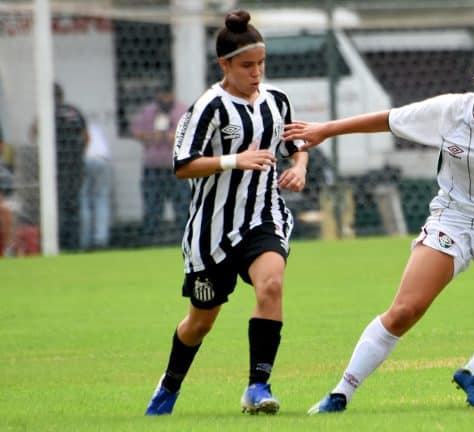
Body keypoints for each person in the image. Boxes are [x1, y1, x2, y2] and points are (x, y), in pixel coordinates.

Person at [284, 45, 474, 413]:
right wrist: (327, 131)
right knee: (404, 311)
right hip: (452, 220)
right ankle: (340, 393)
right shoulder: (449, 111)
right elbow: (389, 119)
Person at [144, 9, 308, 416]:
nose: (257, 73)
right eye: (248, 65)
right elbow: (182, 165)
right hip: (211, 233)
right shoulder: (207, 108)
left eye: (261, 64)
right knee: (200, 322)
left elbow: (295, 144)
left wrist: (299, 168)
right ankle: (168, 386)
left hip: (262, 217)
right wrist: (235, 161)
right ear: (226, 65)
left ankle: (258, 387)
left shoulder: (277, 100)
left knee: (271, 285)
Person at [130, 85, 189, 245]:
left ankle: (184, 240)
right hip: (153, 166)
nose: (165, 99)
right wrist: (151, 136)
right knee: (152, 205)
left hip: (177, 167)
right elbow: (135, 131)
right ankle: (150, 241)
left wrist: (173, 136)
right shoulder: (149, 111)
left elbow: (192, 133)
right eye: (161, 96)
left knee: (182, 205)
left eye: (167, 95)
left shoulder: (183, 110)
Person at [53, 83, 89, 251]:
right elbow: (86, 137)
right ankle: (76, 244)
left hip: (57, 168)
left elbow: (35, 134)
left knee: (59, 206)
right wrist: (79, 155)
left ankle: (60, 243)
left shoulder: (48, 114)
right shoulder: (74, 111)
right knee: (74, 206)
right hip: (75, 166)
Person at [79, 122, 112, 250]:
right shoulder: (94, 127)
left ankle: (85, 240)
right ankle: (101, 239)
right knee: (101, 199)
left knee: (84, 199)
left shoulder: (75, 128)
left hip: (84, 159)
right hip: (102, 159)